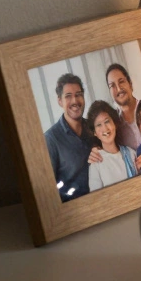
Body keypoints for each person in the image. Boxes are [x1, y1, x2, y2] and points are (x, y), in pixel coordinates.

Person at [42, 73, 94, 201]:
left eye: (78, 95)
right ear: (60, 101)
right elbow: (49, 190)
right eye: (68, 96)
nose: (75, 101)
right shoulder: (50, 139)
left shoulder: (93, 127)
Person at [84, 101, 139, 192]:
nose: (105, 128)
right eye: (99, 125)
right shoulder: (96, 162)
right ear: (94, 132)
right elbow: (96, 199)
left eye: (107, 121)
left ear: (115, 124)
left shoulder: (131, 153)